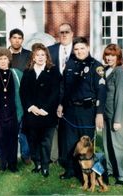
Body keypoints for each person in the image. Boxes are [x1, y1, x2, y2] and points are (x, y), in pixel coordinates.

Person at [57, 37, 106, 180]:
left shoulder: (96, 66)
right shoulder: (70, 64)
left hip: (87, 111)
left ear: (88, 48)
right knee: (70, 142)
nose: (79, 52)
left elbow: (101, 93)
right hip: (70, 110)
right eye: (76, 49)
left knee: (86, 144)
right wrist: (61, 104)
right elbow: (63, 87)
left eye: (82, 48)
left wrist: (99, 113)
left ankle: (89, 173)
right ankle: (71, 170)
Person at [20, 43, 61, 177]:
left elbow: (56, 92)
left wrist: (45, 108)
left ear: (47, 56)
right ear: (33, 57)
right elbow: (23, 92)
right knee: (33, 140)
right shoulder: (27, 72)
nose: (40, 57)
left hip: (47, 113)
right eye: (37, 55)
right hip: (31, 113)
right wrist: (31, 107)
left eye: (43, 55)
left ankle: (45, 166)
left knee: (45, 141)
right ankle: (37, 163)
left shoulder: (53, 71)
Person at [0, 28, 32, 164]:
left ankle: (25, 154)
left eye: (19, 38)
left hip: (23, 96)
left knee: (23, 127)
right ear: (9, 39)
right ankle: (3, 155)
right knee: (4, 128)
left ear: (22, 40)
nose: (17, 40)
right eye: (14, 37)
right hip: (5, 97)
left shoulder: (29, 55)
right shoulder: (3, 55)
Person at [102, 44, 123, 185]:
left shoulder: (119, 72)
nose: (109, 58)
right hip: (107, 113)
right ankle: (111, 170)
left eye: (113, 55)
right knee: (107, 144)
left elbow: (120, 96)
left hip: (117, 114)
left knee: (119, 145)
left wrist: (117, 120)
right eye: (107, 54)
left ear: (118, 57)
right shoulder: (106, 70)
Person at [48, 23, 74, 164]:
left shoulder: (78, 50)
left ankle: (68, 156)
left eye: (67, 32)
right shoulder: (50, 50)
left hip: (72, 96)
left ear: (72, 33)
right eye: (61, 32)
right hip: (53, 96)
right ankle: (54, 156)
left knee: (68, 127)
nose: (64, 34)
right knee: (54, 127)